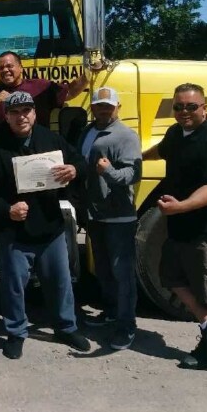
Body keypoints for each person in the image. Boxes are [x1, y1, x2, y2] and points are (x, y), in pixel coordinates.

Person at [0, 91, 91, 359]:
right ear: (7, 116)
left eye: (26, 110)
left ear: (35, 113)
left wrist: (74, 171)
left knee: (61, 283)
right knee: (13, 288)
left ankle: (65, 327)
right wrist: (7, 209)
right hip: (14, 231)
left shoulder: (50, 139)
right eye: (14, 112)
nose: (21, 116)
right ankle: (16, 333)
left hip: (50, 228)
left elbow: (80, 163)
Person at [143, 83, 207, 370]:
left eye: (191, 106)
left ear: (205, 107)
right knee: (170, 277)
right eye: (179, 106)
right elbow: (162, 150)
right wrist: (137, 157)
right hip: (180, 227)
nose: (184, 112)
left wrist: (181, 206)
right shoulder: (176, 133)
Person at [77, 87, 142, 350]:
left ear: (118, 106)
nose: (104, 109)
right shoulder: (88, 131)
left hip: (118, 217)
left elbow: (132, 175)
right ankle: (112, 313)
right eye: (99, 105)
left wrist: (108, 172)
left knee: (122, 274)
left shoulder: (126, 136)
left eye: (108, 105)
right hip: (95, 215)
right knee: (103, 270)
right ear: (92, 107)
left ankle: (127, 327)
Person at [0, 50, 89, 140]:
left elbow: (70, 92)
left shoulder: (40, 86)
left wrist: (89, 72)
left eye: (9, 66)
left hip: (35, 149)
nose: (5, 70)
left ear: (21, 68)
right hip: (2, 151)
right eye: (1, 68)